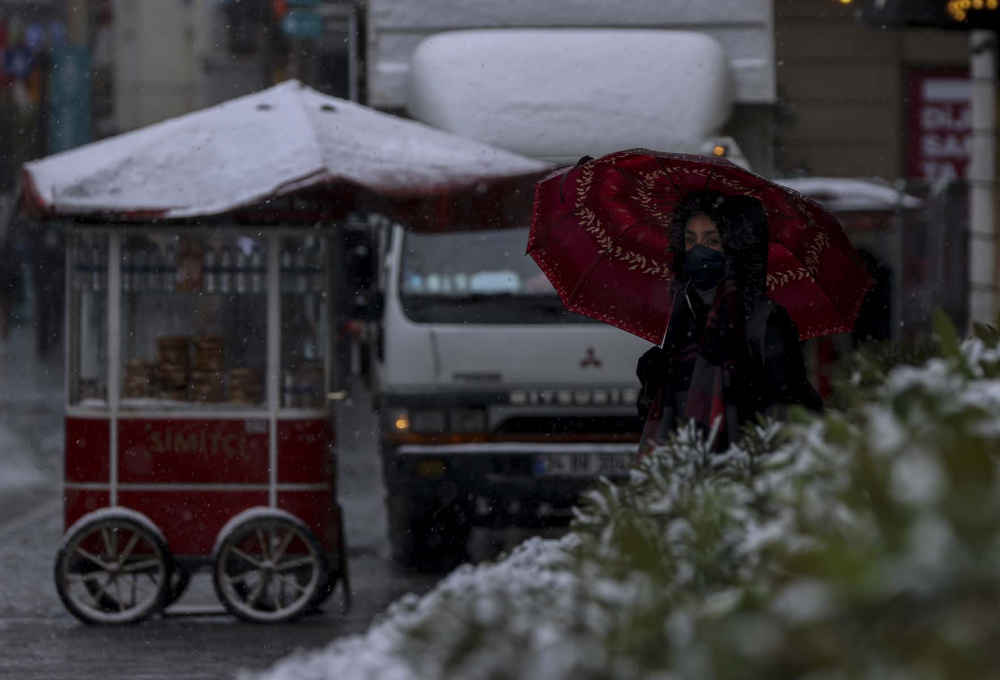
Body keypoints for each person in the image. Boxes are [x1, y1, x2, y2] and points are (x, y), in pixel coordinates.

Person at [636, 191, 822, 455]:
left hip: (743, 474)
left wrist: (750, 394)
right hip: (683, 477)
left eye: (711, 240)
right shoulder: (681, 314)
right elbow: (666, 419)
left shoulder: (765, 319)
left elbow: (790, 414)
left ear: (735, 247)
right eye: (690, 240)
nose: (697, 250)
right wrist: (650, 385)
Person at [0, 237, 22, 343]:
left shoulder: (5, 258)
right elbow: (17, 274)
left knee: (4, 313)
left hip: (5, 289)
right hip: (8, 290)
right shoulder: (13, 258)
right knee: (6, 314)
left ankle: (4, 334)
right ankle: (5, 335)